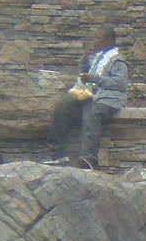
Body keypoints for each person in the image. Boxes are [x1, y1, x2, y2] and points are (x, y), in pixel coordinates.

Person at [44, 26, 129, 169]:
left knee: (92, 114)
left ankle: (88, 159)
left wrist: (94, 79)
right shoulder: (96, 57)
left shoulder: (117, 60)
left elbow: (119, 83)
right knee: (63, 105)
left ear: (108, 40)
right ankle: (57, 154)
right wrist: (84, 60)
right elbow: (85, 74)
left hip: (107, 99)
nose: (94, 41)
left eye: (97, 38)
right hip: (89, 95)